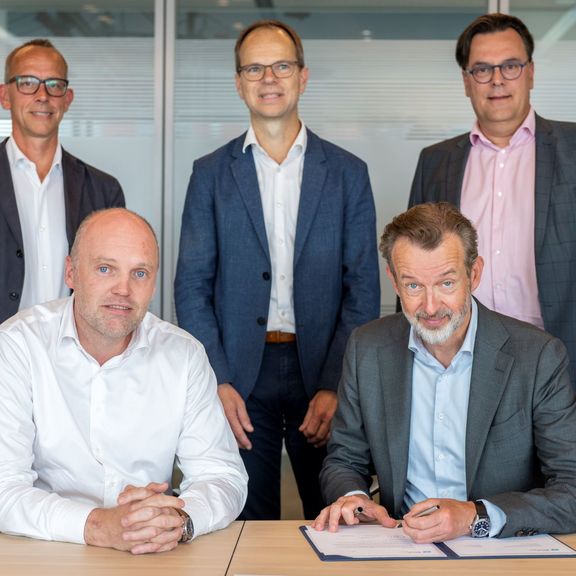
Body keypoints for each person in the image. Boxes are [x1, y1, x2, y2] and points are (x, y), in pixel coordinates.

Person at [174, 19, 380, 520]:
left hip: (322, 370)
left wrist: (337, 382)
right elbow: (192, 286)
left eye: (281, 65)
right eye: (254, 68)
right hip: (242, 375)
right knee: (245, 519)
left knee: (338, 514)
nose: (269, 78)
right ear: (239, 82)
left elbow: (363, 289)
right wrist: (216, 379)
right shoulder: (211, 174)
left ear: (302, 77)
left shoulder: (348, 172)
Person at [313, 202, 576, 541]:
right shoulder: (367, 347)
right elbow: (344, 459)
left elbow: (571, 488)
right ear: (393, 280)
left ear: (474, 274)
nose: (431, 306)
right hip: (401, 546)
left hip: (501, 549)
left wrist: (475, 515)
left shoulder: (538, 356)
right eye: (413, 286)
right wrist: (355, 499)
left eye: (446, 283)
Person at [0, 208, 247, 554]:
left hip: (151, 553)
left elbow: (223, 476)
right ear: (71, 272)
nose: (124, 289)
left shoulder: (184, 355)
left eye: (140, 273)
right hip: (45, 553)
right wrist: (99, 526)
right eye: (105, 269)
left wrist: (178, 522)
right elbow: (4, 488)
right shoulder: (16, 345)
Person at [409, 13, 576, 388]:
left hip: (560, 355)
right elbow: (414, 264)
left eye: (510, 66)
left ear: (530, 72)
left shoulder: (573, 148)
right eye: (482, 69)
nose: (497, 80)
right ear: (466, 82)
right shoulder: (435, 162)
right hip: (459, 358)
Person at [0, 39, 124, 323]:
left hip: (76, 357)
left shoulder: (104, 191)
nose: (43, 95)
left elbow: (115, 284)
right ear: (5, 95)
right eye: (28, 82)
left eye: (54, 84)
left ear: (67, 99)